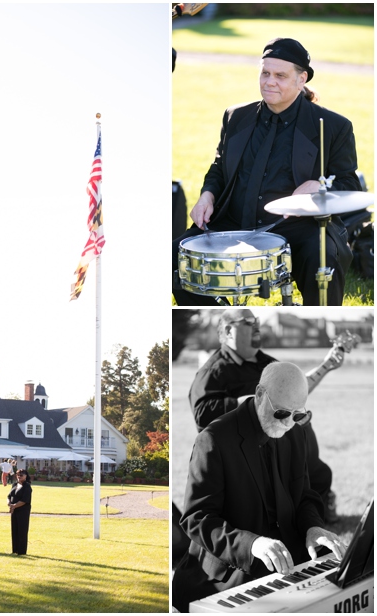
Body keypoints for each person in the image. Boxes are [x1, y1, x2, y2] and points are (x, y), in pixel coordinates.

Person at [173, 38, 361, 306]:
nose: (269, 81)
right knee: (173, 258)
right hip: (233, 221)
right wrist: (207, 195)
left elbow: (350, 183)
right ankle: (219, 317)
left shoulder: (333, 126)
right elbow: (219, 167)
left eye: (280, 76)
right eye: (265, 73)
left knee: (325, 261)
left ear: (301, 79)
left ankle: (318, 330)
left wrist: (320, 186)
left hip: (298, 227)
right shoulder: (235, 116)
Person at [172, 363, 347, 612]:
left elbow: (305, 496)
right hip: (230, 570)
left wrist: (313, 527)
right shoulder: (214, 439)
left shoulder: (297, 433)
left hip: (287, 560)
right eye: (281, 413)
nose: (288, 423)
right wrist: (252, 545)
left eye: (298, 415)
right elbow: (197, 518)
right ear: (260, 394)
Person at [189, 309, 345, 520]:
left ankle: (314, 519)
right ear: (229, 331)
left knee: (319, 474)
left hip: (283, 444)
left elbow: (292, 389)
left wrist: (326, 366)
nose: (256, 325)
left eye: (257, 321)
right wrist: (252, 403)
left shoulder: (267, 363)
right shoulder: (212, 372)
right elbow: (202, 414)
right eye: (248, 322)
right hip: (246, 452)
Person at [8, 469, 32, 555]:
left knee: (22, 531)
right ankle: (15, 550)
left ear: (26, 476)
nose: (19, 476)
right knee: (14, 530)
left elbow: (24, 500)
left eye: (21, 475)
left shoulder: (27, 487)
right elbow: (9, 496)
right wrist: (9, 503)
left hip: (23, 511)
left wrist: (14, 506)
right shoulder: (14, 484)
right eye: (18, 475)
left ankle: (21, 551)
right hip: (14, 511)